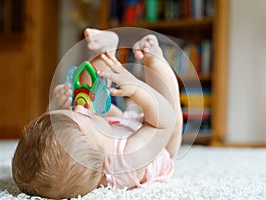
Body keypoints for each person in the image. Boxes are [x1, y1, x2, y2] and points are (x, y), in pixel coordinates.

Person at [12, 28, 183, 199]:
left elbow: (57, 130)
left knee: (86, 89)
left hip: (118, 126)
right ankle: (154, 58)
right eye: (84, 117)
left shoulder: (89, 143)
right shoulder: (127, 163)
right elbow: (162, 122)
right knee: (170, 111)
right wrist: (137, 88)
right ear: (100, 156)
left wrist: (54, 107)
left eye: (71, 110)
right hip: (157, 138)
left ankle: (105, 54)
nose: (78, 107)